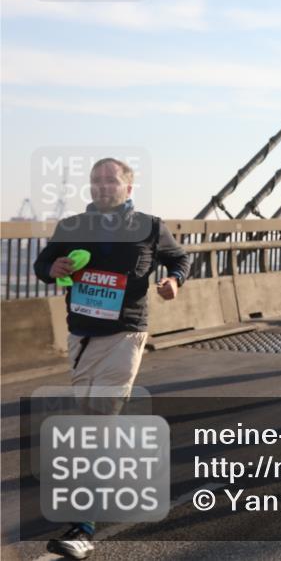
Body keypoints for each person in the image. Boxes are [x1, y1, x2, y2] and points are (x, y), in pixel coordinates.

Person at [34, 158, 191, 560]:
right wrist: (54, 266)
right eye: (96, 180)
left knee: (96, 423)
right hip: (81, 337)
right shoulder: (71, 227)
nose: (103, 186)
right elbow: (42, 266)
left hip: (125, 336)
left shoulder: (151, 227)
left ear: (128, 188)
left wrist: (172, 281)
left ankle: (82, 528)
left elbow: (179, 259)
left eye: (111, 180)